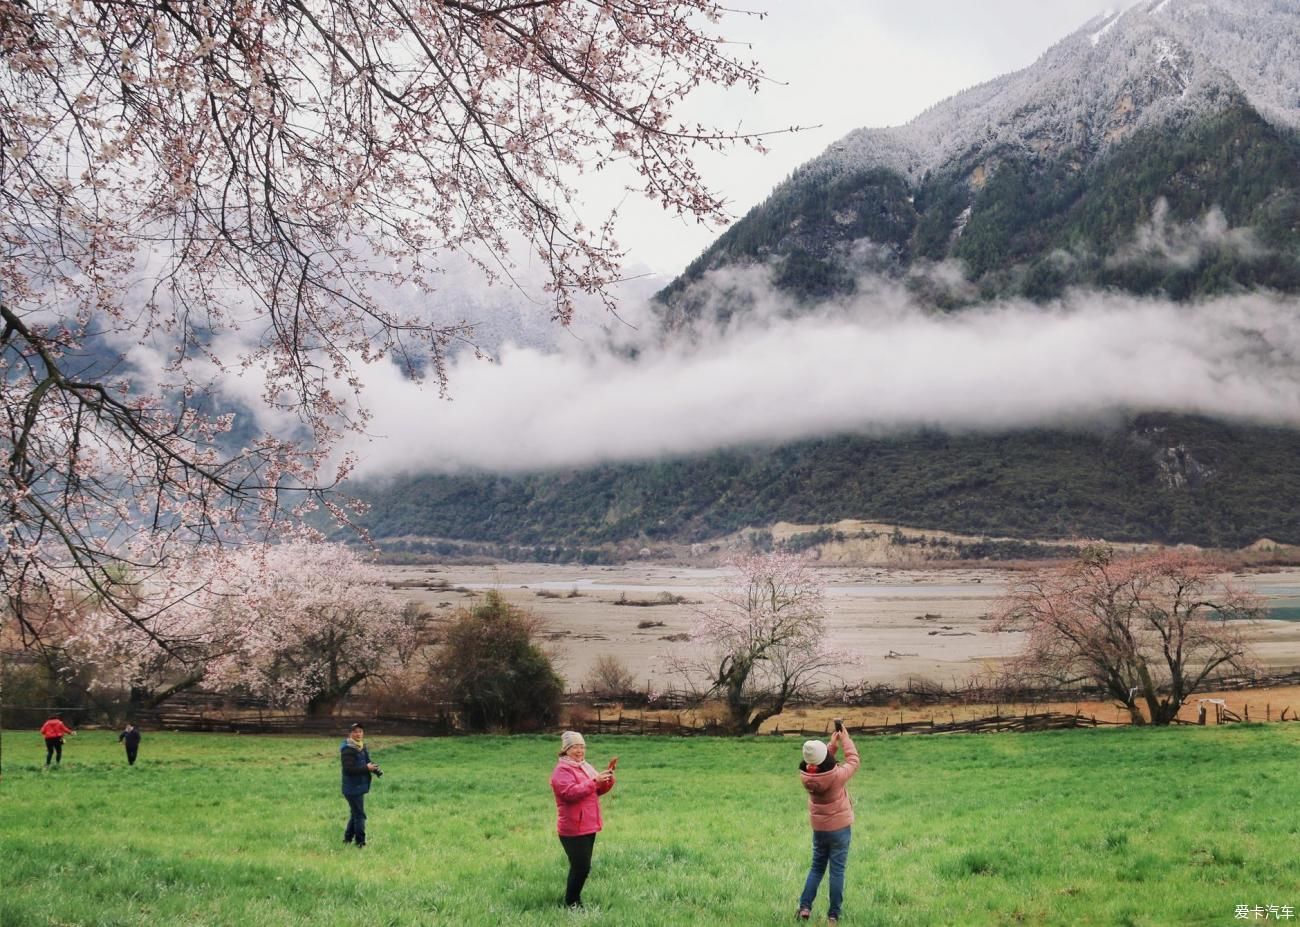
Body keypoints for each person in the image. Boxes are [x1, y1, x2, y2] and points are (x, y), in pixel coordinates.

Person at [796, 725, 860, 925]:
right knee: (837, 871)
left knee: (816, 868)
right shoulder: (836, 775)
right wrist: (845, 740)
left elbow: (820, 763)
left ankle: (805, 907)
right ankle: (833, 915)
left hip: (819, 829)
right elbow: (853, 760)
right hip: (840, 829)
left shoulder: (806, 775)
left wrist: (831, 745)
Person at [549, 730, 615, 909]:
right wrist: (595, 781)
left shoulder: (585, 766)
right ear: (566, 750)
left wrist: (606, 781)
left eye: (582, 747)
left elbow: (596, 790)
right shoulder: (561, 771)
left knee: (581, 867)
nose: (579, 751)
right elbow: (570, 793)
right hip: (573, 828)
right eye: (575, 747)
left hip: (588, 825)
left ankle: (573, 901)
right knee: (581, 868)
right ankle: (571, 903)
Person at [339, 722, 378, 848]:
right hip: (351, 788)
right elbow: (348, 770)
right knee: (360, 815)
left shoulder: (361, 747)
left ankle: (347, 839)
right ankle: (360, 843)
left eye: (360, 731)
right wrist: (366, 768)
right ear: (350, 734)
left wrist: (375, 769)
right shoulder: (348, 750)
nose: (358, 734)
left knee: (355, 813)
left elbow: (368, 762)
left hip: (359, 786)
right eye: (355, 731)